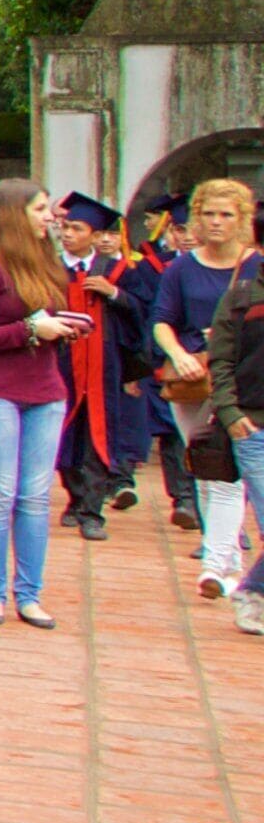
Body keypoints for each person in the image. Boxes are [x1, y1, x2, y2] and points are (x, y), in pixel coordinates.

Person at [0, 181, 90, 629]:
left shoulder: (49, 263)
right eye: (40, 209)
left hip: (45, 391)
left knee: (35, 496)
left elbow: (44, 321)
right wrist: (30, 331)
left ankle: (29, 595)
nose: (50, 217)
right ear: (15, 213)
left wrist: (64, 328)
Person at [156, 179, 262, 599]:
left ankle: (215, 566)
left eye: (226, 215)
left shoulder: (254, 266)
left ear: (243, 220)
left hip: (242, 382)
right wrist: (177, 351)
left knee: (229, 479)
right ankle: (230, 561)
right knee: (206, 467)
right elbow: (162, 318)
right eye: (209, 214)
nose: (216, 222)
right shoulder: (181, 268)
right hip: (194, 380)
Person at [54, 193, 152, 537]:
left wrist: (114, 294)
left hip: (102, 367)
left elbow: (144, 312)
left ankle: (92, 512)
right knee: (63, 436)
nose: (67, 234)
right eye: (65, 227)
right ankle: (75, 497)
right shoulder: (50, 268)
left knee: (98, 435)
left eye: (76, 228)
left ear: (96, 236)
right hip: (61, 365)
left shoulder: (117, 270)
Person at [128, 206, 202, 532]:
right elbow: (155, 317)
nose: (188, 237)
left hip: (221, 361)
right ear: (170, 231)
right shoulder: (164, 269)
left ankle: (223, 515)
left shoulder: (239, 267)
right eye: (181, 229)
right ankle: (184, 498)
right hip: (172, 358)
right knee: (173, 433)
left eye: (192, 228)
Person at [204, 246, 264, 637]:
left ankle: (252, 589)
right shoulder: (243, 296)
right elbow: (221, 359)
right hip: (253, 425)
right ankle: (252, 593)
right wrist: (230, 413)